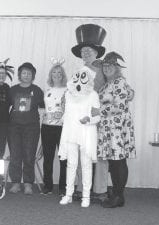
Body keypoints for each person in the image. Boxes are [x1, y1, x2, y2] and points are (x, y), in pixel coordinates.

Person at [92, 51, 136, 208]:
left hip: (117, 129)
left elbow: (119, 106)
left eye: (110, 66)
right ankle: (118, 194)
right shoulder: (107, 84)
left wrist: (99, 111)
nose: (106, 68)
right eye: (104, 66)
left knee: (118, 162)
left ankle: (119, 195)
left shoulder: (119, 82)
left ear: (117, 68)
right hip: (108, 129)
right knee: (113, 162)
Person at [70, 23, 109, 201]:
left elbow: (112, 86)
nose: (85, 53)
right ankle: (81, 187)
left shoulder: (104, 68)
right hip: (81, 115)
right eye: (83, 51)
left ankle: (101, 189)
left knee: (99, 153)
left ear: (96, 52)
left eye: (89, 50)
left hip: (98, 116)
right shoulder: (78, 72)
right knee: (82, 150)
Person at [58, 66, 100, 207]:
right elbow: (67, 112)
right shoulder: (68, 94)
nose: (79, 80)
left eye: (83, 76)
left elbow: (97, 116)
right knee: (71, 164)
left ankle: (86, 196)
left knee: (86, 165)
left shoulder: (93, 94)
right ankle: (68, 194)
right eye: (77, 75)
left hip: (85, 133)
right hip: (70, 132)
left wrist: (89, 119)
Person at [8, 62, 44, 195]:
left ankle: (28, 183)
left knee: (29, 155)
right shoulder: (12, 90)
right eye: (24, 73)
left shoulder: (38, 90)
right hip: (14, 127)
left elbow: (44, 107)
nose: (26, 75)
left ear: (33, 75)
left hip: (32, 127)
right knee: (15, 155)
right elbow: (4, 106)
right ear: (19, 75)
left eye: (29, 73)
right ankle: (16, 183)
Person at [40, 58, 67, 196]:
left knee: (63, 158)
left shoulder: (68, 90)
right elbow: (43, 108)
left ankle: (63, 187)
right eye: (54, 72)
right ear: (51, 75)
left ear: (63, 75)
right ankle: (48, 185)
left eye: (59, 72)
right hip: (47, 127)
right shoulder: (47, 89)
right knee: (48, 158)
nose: (56, 74)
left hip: (63, 127)